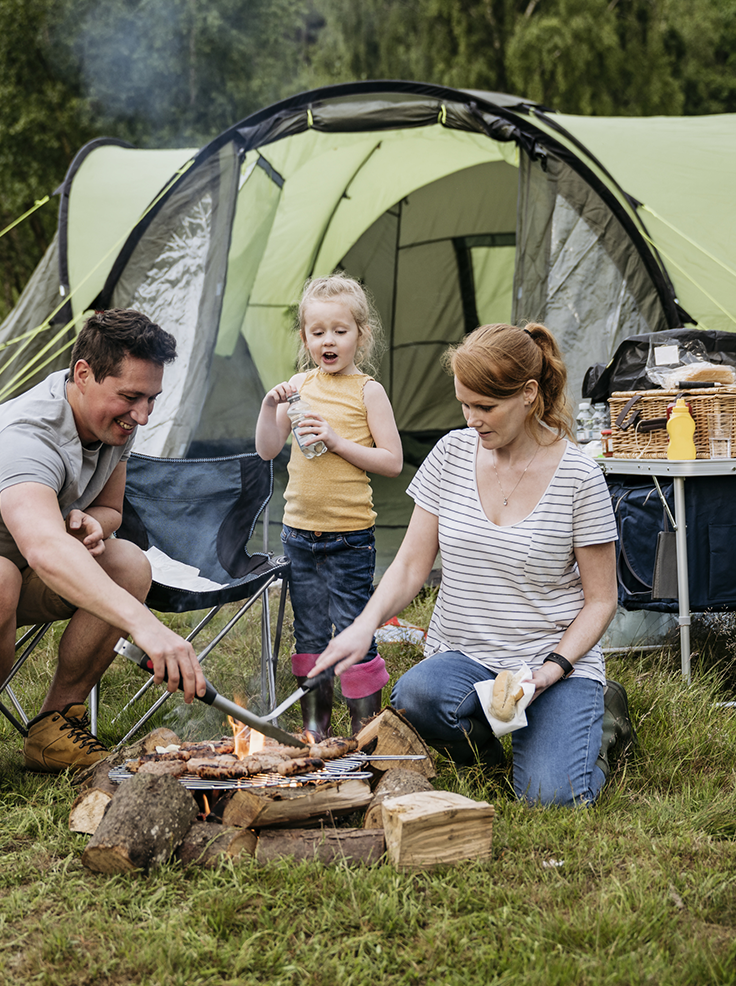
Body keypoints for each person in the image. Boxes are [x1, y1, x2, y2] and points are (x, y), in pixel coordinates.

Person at [0, 308, 206, 808]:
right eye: (130, 397)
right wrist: (146, 627)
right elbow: (45, 551)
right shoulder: (27, 435)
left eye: (151, 398)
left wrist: (97, 523)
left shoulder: (111, 425)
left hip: (8, 569)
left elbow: (110, 507)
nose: (143, 416)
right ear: (84, 374)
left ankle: (54, 727)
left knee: (128, 562)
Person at [308, 322, 636, 806]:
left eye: (486, 407)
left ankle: (602, 726)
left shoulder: (579, 475)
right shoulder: (451, 453)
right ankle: (498, 755)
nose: (472, 419)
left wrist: (550, 672)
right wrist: (364, 626)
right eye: (464, 404)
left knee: (553, 800)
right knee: (417, 696)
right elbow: (409, 567)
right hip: (468, 660)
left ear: (528, 395)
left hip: (551, 665)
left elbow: (602, 599)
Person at [255, 275, 403, 738]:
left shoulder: (367, 392)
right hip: (299, 534)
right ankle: (314, 728)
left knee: (356, 633)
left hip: (348, 537)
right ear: (305, 338)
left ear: (362, 334)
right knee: (310, 634)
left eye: (340, 330)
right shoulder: (297, 388)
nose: (329, 340)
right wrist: (267, 408)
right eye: (317, 332)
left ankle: (364, 731)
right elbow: (266, 449)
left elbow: (393, 461)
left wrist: (338, 442)